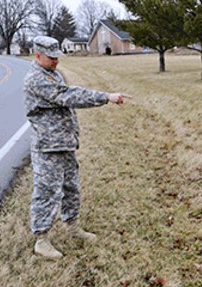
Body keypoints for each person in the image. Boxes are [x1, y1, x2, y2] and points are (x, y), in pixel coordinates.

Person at [23, 36, 131, 259]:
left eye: (57, 57)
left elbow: (66, 93)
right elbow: (68, 95)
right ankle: (42, 240)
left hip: (64, 143)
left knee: (71, 188)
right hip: (48, 148)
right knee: (47, 193)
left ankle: (73, 228)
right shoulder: (36, 78)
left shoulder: (53, 74)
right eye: (51, 57)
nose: (56, 61)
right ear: (38, 55)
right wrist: (106, 97)